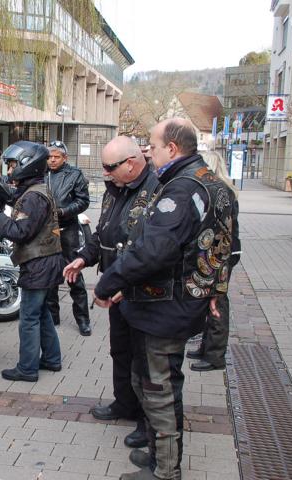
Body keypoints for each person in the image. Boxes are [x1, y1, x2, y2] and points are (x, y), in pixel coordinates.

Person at [92, 118, 235, 480]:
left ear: (172, 148)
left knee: (160, 389)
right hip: (172, 302)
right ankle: (158, 455)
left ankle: (165, 471)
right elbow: (227, 248)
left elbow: (153, 251)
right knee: (151, 382)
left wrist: (107, 283)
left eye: (153, 147)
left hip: (165, 306)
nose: (148, 152)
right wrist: (216, 289)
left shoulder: (182, 190)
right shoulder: (212, 183)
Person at [64, 135, 158, 449]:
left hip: (143, 293)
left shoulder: (157, 190)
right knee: (121, 351)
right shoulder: (115, 190)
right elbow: (103, 234)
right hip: (116, 287)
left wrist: (128, 285)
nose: (105, 172)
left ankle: (147, 421)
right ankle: (125, 403)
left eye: (109, 167)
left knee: (145, 361)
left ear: (131, 163)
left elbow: (151, 250)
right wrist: (84, 257)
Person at [0, 141, 64, 382]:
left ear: (28, 165)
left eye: (12, 165)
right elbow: (15, 198)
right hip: (46, 261)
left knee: (28, 318)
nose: (9, 171)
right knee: (41, 313)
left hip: (38, 263)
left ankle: (27, 369)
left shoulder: (34, 197)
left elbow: (19, 231)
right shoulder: (35, 189)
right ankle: (52, 358)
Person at [186, 150, 241, 372]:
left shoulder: (221, 191)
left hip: (221, 253)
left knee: (217, 302)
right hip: (218, 252)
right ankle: (207, 347)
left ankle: (215, 355)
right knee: (210, 300)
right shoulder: (220, 189)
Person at [45, 140, 92, 335]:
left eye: (56, 157)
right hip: (47, 230)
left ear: (65, 158)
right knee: (50, 274)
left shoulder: (75, 174)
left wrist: (64, 211)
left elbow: (83, 201)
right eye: (49, 156)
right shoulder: (42, 173)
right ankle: (52, 317)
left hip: (68, 228)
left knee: (74, 274)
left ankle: (83, 319)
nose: (52, 160)